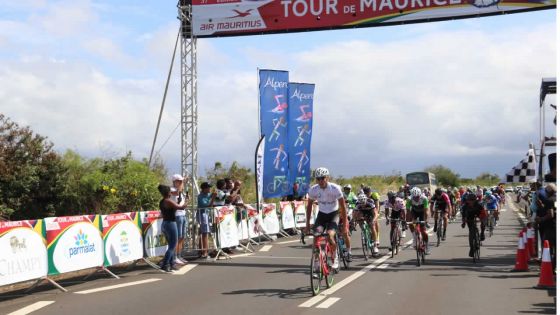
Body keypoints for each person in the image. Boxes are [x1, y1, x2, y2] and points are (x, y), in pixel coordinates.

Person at [305, 167, 348, 269]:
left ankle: (334, 256)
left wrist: (345, 226)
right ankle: (316, 263)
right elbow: (309, 207)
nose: (320, 181)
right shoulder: (313, 189)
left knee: (330, 235)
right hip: (322, 215)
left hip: (334, 214)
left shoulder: (335, 188)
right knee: (316, 236)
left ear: (327, 178)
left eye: (322, 178)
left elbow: (343, 207)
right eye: (318, 178)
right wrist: (307, 225)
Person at [157, 184, 188, 272]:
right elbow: (181, 207)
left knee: (171, 244)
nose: (171, 193)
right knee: (173, 245)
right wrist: (187, 201)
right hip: (171, 224)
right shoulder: (168, 201)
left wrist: (178, 202)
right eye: (170, 191)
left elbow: (173, 209)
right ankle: (165, 264)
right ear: (168, 193)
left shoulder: (163, 201)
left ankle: (171, 264)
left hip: (165, 224)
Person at [535, 183, 556, 268]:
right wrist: (542, 207)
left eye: (546, 191)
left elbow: (550, 214)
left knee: (548, 247)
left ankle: (549, 267)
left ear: (549, 191)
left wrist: (541, 219)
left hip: (551, 227)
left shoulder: (550, 200)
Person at [461, 192, 487, 257]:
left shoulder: (479, 205)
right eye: (469, 200)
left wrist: (482, 220)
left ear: (475, 200)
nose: (471, 202)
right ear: (467, 200)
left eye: (473, 200)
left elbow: (484, 214)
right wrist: (464, 223)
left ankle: (482, 233)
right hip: (470, 216)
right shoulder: (465, 206)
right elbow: (463, 216)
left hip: (479, 214)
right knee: (471, 232)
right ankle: (472, 248)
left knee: (483, 222)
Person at [171, 174, 189, 266]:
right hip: (177, 215)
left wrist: (187, 201)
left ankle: (179, 255)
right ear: (174, 181)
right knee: (177, 237)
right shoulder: (172, 189)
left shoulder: (181, 190)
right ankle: (174, 257)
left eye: (181, 181)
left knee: (182, 236)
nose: (181, 183)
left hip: (183, 214)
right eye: (179, 181)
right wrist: (183, 183)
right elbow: (176, 193)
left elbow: (181, 195)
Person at [406, 187, 430, 254]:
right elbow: (408, 212)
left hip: (422, 212)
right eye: (414, 197)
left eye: (417, 197)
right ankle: (414, 237)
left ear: (420, 195)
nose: (416, 199)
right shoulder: (409, 199)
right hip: (414, 212)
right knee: (410, 222)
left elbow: (426, 211)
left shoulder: (424, 198)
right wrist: (407, 221)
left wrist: (426, 221)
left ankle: (427, 246)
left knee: (423, 232)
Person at [197, 182, 215, 259]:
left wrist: (214, 195)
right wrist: (213, 198)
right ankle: (205, 252)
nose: (209, 189)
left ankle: (201, 250)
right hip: (202, 215)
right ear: (204, 189)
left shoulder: (208, 194)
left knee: (203, 233)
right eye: (208, 188)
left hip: (206, 215)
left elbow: (213, 195)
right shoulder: (200, 196)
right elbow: (208, 205)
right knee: (205, 233)